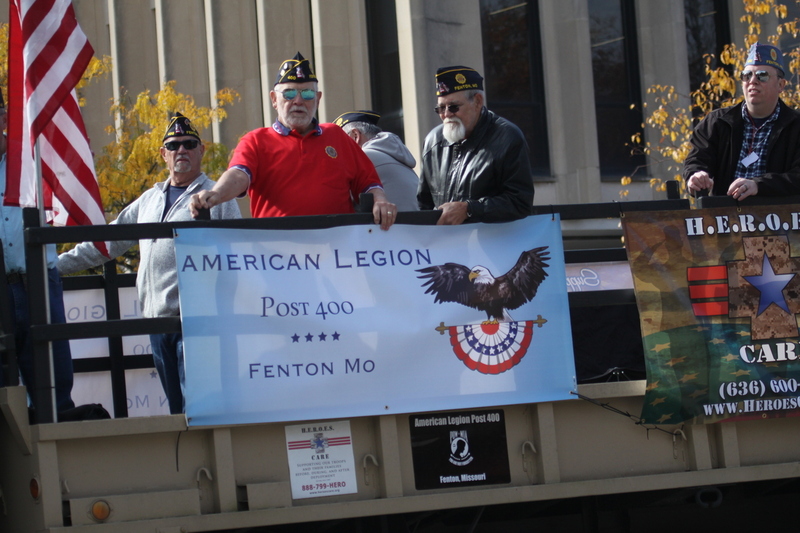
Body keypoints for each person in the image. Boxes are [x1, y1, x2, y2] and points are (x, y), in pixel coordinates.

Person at [58, 113, 241, 414]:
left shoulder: (217, 196)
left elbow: (236, 256)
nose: (181, 150)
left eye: (189, 144)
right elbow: (107, 242)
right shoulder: (148, 200)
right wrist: (54, 266)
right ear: (163, 154)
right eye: (173, 145)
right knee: (177, 412)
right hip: (156, 323)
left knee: (201, 409)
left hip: (197, 323)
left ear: (201, 150)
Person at [190, 52, 397, 229]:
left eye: (307, 93)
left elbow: (369, 183)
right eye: (289, 93)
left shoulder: (337, 136)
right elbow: (238, 175)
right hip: (279, 256)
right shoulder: (256, 141)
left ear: (318, 99)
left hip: (336, 253)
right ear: (274, 99)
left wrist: (380, 200)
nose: (298, 101)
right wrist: (216, 194)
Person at [0, 90, 76, 415]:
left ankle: (60, 446)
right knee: (4, 402)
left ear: (5, 118)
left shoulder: (34, 158)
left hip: (38, 283)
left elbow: (71, 193)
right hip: (2, 289)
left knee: (54, 393)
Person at [418, 66, 534, 225]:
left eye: (453, 107)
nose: (446, 115)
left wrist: (469, 209)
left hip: (492, 239)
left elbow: (520, 202)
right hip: (445, 239)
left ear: (478, 102)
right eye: (441, 108)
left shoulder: (507, 138)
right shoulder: (433, 141)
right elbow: (423, 204)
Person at [684, 42, 800, 200]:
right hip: (725, 214)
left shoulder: (796, 126)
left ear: (781, 85)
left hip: (778, 215)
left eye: (762, 75)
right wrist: (696, 176)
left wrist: (758, 185)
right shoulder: (717, 122)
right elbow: (697, 159)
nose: (753, 81)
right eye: (747, 75)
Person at [334, 110, 419, 212]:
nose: (338, 149)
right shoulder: (391, 155)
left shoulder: (364, 157)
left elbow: (336, 199)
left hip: (393, 221)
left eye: (341, 142)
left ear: (355, 136)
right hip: (416, 220)